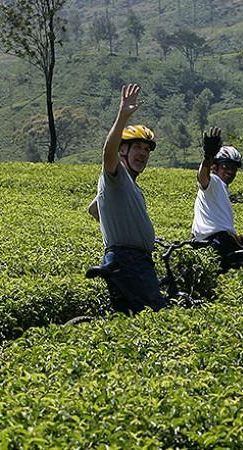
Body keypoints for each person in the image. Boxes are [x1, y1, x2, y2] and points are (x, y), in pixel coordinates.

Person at [86, 84, 167, 314]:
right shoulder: (117, 175)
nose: (143, 154)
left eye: (146, 150)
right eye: (137, 148)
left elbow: (94, 209)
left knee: (127, 319)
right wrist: (123, 114)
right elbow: (107, 153)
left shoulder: (127, 185)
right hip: (130, 261)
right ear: (123, 151)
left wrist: (119, 225)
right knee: (158, 315)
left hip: (129, 258)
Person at [191, 127, 243, 272]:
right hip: (215, 242)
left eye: (233, 168)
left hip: (219, 240)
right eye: (225, 166)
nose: (230, 171)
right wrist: (208, 156)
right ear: (215, 167)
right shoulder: (214, 182)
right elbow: (202, 177)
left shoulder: (222, 188)